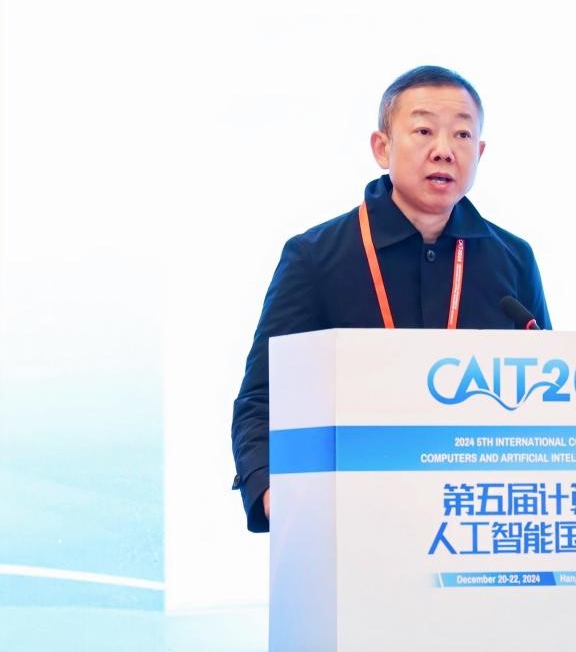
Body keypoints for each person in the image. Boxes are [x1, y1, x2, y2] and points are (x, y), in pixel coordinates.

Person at [231, 66, 552, 532]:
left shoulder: (513, 259)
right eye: (423, 131)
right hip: (352, 520)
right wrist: (269, 491)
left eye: (462, 134)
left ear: (479, 152)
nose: (444, 149)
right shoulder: (315, 257)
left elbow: (544, 395)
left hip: (479, 520)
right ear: (382, 148)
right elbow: (263, 395)